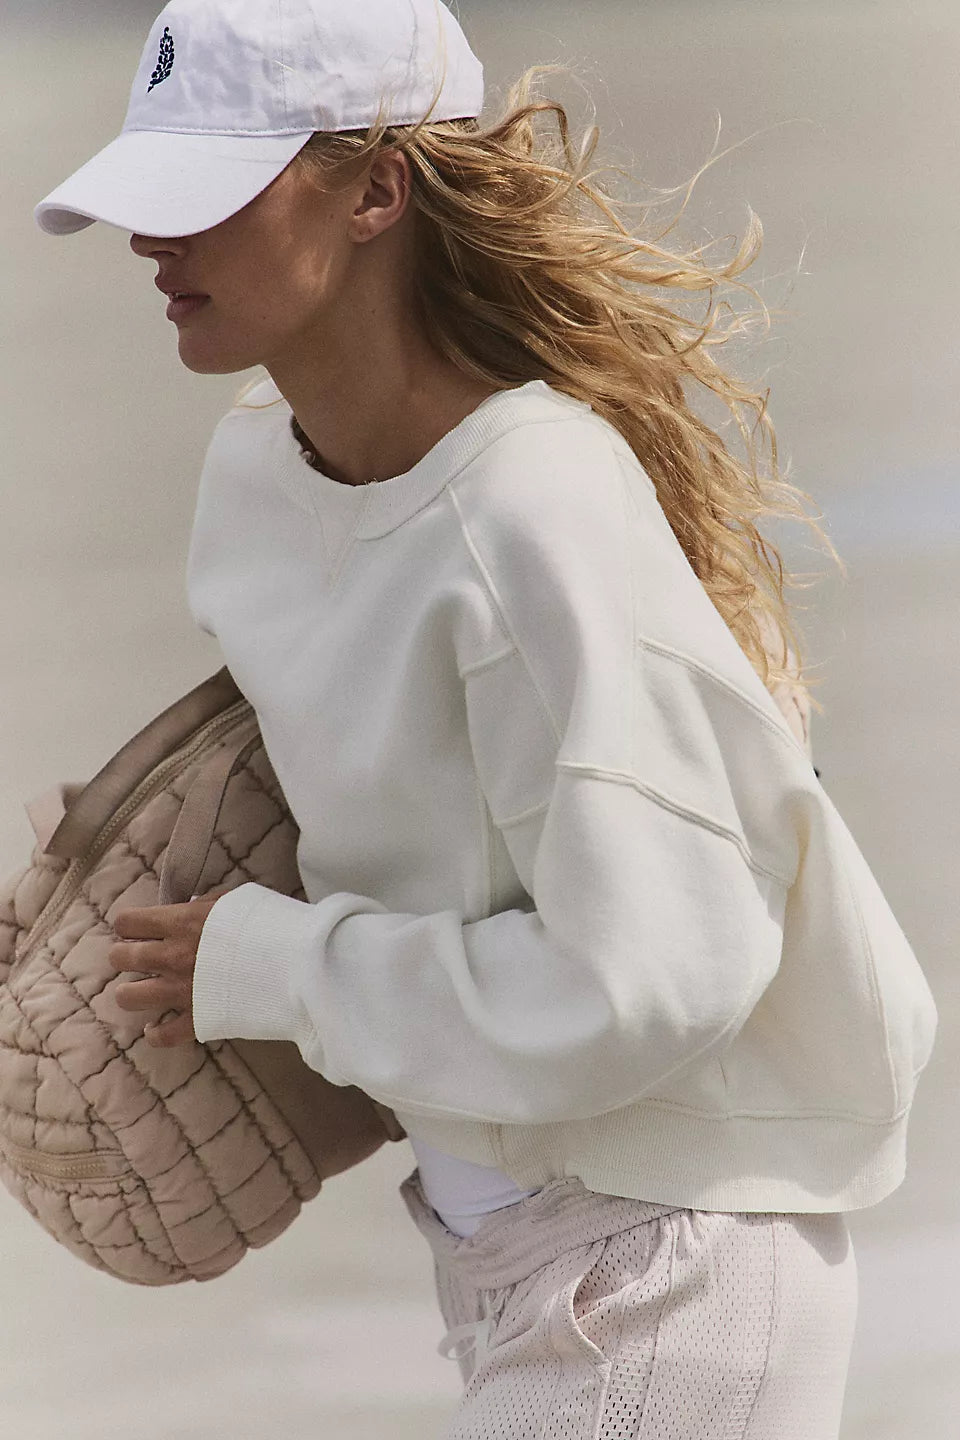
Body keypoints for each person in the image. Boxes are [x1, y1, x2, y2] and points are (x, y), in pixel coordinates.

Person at [35, 2, 938, 1436]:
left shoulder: (534, 508)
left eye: (208, 191)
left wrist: (278, 966)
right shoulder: (255, 481)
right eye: (146, 190)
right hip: (506, 1252)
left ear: (378, 190)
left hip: (668, 1266)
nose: (153, 238)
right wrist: (124, 879)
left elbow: (658, 974)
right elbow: (382, 810)